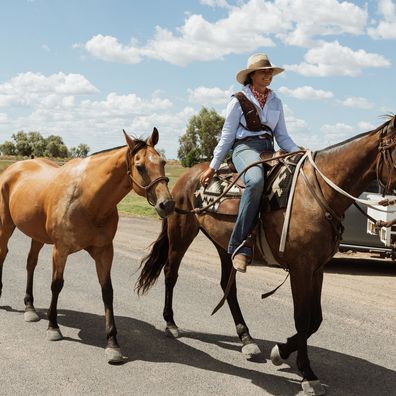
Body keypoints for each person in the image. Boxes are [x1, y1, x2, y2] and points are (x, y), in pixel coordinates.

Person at [199, 53, 300, 273]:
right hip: (244, 148)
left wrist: (298, 152)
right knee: (255, 181)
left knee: (296, 177)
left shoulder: (276, 101)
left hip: (268, 150)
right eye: (264, 71)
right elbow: (227, 136)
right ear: (252, 75)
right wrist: (213, 166)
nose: (268, 75)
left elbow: (282, 135)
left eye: (270, 72)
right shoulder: (238, 100)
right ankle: (239, 245)